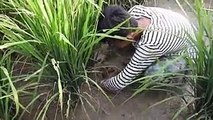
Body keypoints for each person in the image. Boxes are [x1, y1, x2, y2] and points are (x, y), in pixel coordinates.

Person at [97, 5, 196, 92]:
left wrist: (99, 84)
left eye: (111, 42)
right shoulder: (135, 12)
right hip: (179, 27)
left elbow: (118, 84)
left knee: (151, 74)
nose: (110, 45)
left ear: (129, 36)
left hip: (186, 52)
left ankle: (179, 73)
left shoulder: (150, 45)